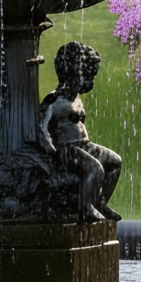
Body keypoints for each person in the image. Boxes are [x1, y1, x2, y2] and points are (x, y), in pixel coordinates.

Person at [38, 41, 120, 222]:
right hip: (66, 149)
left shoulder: (77, 99)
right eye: (87, 74)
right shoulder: (54, 99)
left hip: (84, 145)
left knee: (115, 162)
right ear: (73, 73)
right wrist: (52, 154)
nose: (89, 79)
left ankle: (99, 202)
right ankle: (85, 209)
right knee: (94, 168)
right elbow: (42, 128)